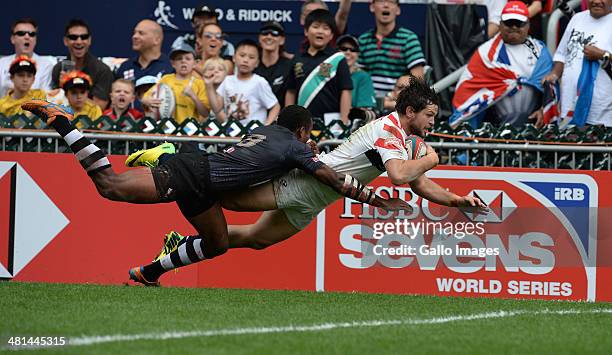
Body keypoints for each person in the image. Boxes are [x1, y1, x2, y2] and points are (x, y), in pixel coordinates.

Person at [137, 78, 487, 284]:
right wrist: (432, 158)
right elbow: (398, 176)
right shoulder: (389, 131)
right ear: (411, 112)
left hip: (318, 198)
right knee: (225, 199)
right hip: (308, 181)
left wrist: (457, 201)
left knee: (255, 239)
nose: (432, 124)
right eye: (429, 116)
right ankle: (167, 158)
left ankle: (168, 255)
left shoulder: (408, 138)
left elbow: (419, 183)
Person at [21, 100, 408, 286]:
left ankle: (149, 273)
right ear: (304, 131)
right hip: (192, 175)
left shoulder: (267, 132)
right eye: (310, 136)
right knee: (109, 186)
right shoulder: (294, 146)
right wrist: (376, 199)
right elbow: (332, 178)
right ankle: (66, 124)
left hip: (203, 183)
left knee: (218, 242)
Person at [450, 1, 555, 129]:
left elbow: (552, 87)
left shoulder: (541, 51)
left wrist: (544, 110)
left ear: (528, 25)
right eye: (509, 23)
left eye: (519, 23)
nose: (514, 27)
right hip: (493, 129)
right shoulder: (485, 53)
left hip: (533, 128)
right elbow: (467, 91)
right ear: (500, 24)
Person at [542, 0, 611, 127]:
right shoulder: (577, 19)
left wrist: (602, 55)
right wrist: (554, 75)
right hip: (569, 107)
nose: (596, 1)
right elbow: (561, 54)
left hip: (601, 114)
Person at [286, 9, 353, 125]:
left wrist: (343, 122)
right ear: (306, 31)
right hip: (302, 123)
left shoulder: (338, 59)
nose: (320, 31)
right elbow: (291, 91)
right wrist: (288, 121)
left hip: (330, 123)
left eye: (325, 28)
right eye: (316, 27)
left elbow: (345, 91)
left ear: (331, 35)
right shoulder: (297, 59)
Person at [357, 0, 426, 97]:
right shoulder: (363, 40)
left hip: (398, 105)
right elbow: (358, 77)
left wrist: (406, 81)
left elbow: (419, 78)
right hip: (368, 104)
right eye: (381, 1)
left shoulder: (408, 38)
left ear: (398, 10)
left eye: (391, 1)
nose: (386, 5)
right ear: (372, 7)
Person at [207, 39, 280, 125]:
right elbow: (217, 108)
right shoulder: (227, 80)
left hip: (253, 134)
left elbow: (275, 106)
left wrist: (266, 126)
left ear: (257, 63)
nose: (246, 60)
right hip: (231, 134)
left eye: (251, 57)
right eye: (242, 55)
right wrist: (209, 86)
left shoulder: (259, 82)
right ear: (234, 58)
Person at [51, 19, 113, 110]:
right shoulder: (58, 69)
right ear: (65, 41)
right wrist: (62, 88)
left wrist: (71, 83)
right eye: (73, 37)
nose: (79, 41)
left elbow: (99, 108)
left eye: (84, 37)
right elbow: (53, 104)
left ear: (89, 40)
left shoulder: (102, 70)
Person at [142, 43, 210, 124]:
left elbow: (205, 113)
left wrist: (194, 96)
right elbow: (145, 98)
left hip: (189, 129)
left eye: (187, 59)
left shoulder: (199, 83)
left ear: (194, 63)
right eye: (179, 59)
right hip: (166, 127)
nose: (183, 61)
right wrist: (148, 101)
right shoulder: (166, 79)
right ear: (173, 64)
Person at [0, 18, 54, 97]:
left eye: (31, 34)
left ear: (35, 40)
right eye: (21, 33)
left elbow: (45, 96)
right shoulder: (1, 63)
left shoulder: (46, 65)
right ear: (12, 39)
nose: (27, 37)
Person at [255, 21, 293, 108]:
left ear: (282, 40)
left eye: (274, 34)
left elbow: (291, 97)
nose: (269, 36)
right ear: (260, 38)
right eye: (265, 33)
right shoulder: (251, 65)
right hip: (253, 119)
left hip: (280, 119)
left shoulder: (289, 66)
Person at [337, 34, 376, 110]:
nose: (348, 52)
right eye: (343, 49)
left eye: (353, 49)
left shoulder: (363, 77)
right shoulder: (330, 75)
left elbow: (364, 110)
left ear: (358, 54)